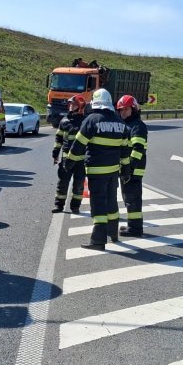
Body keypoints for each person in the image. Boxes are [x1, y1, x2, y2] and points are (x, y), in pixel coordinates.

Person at [64, 88, 131, 249]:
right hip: (113, 171)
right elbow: (125, 150)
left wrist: (69, 162)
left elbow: (78, 144)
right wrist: (126, 170)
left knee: (98, 203)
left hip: (96, 171)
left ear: (95, 103)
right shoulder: (120, 123)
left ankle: (98, 241)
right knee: (111, 202)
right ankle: (113, 234)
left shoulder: (91, 120)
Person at [116, 94, 148, 236]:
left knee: (132, 200)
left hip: (133, 170)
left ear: (133, 109)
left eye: (126, 109)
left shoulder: (137, 126)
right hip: (127, 169)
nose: (123, 112)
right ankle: (133, 226)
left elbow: (138, 149)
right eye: (121, 109)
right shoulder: (126, 125)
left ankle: (135, 229)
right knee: (128, 199)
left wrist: (129, 168)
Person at [51, 94, 87, 213]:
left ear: (80, 106)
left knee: (79, 184)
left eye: (74, 104)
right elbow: (59, 139)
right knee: (62, 182)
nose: (71, 106)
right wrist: (55, 153)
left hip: (81, 161)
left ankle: (75, 207)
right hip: (66, 159)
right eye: (70, 104)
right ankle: (59, 205)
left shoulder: (85, 122)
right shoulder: (64, 121)